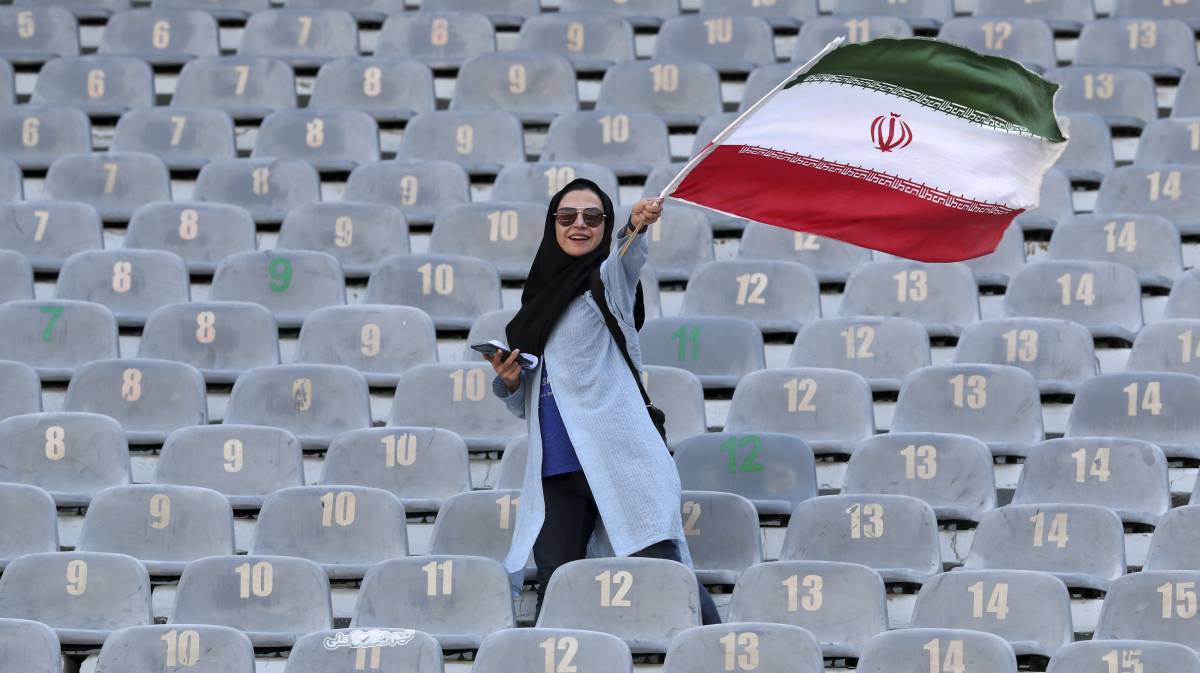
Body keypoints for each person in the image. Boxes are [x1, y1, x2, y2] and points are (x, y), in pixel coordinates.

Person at [484, 178, 721, 625]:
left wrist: (634, 227)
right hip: (556, 467)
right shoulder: (535, 305)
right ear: (552, 224)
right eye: (567, 216)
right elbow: (530, 405)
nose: (579, 225)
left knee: (660, 562)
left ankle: (714, 647)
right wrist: (512, 382)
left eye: (593, 217)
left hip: (619, 456)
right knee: (557, 583)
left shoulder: (604, 285)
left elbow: (624, 261)